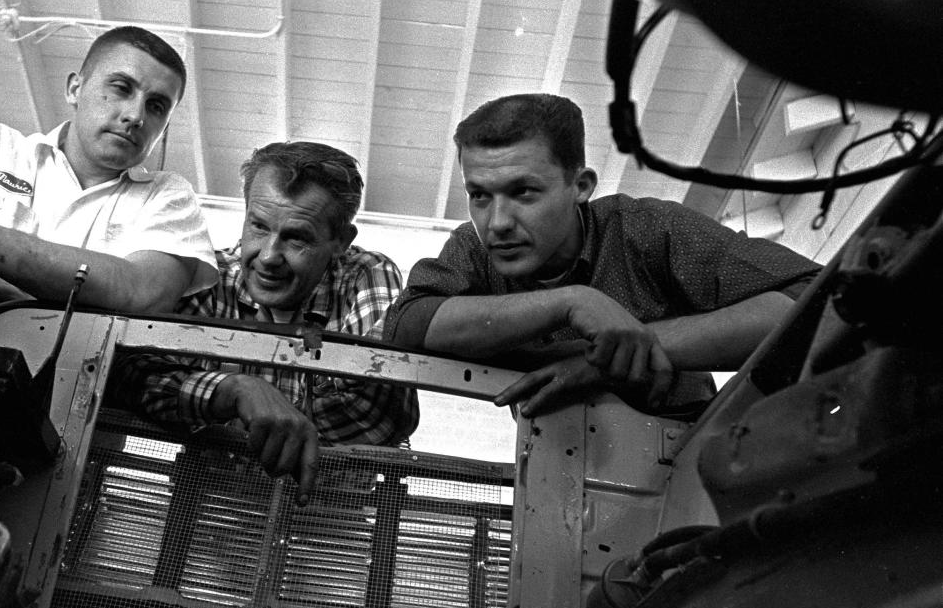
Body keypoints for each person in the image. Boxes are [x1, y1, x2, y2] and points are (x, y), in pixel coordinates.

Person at [382, 93, 821, 418]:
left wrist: (604, 360)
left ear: (581, 186)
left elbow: (811, 300)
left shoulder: (647, 229)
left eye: (523, 192)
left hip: (684, 448)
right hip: (555, 473)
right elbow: (407, 325)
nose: (497, 222)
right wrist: (572, 302)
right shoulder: (470, 250)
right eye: (479, 195)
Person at [114, 141, 420, 505]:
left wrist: (226, 414)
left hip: (329, 526)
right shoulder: (211, 276)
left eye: (297, 238)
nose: (270, 255)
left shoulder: (365, 275)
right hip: (207, 515)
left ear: (341, 241)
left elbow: (383, 408)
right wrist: (232, 391)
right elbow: (130, 374)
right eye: (259, 226)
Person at [0, 26, 216, 314]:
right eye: (121, 88)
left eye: (156, 106)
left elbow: (144, 294)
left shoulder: (168, 195)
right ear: (75, 88)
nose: (135, 116)